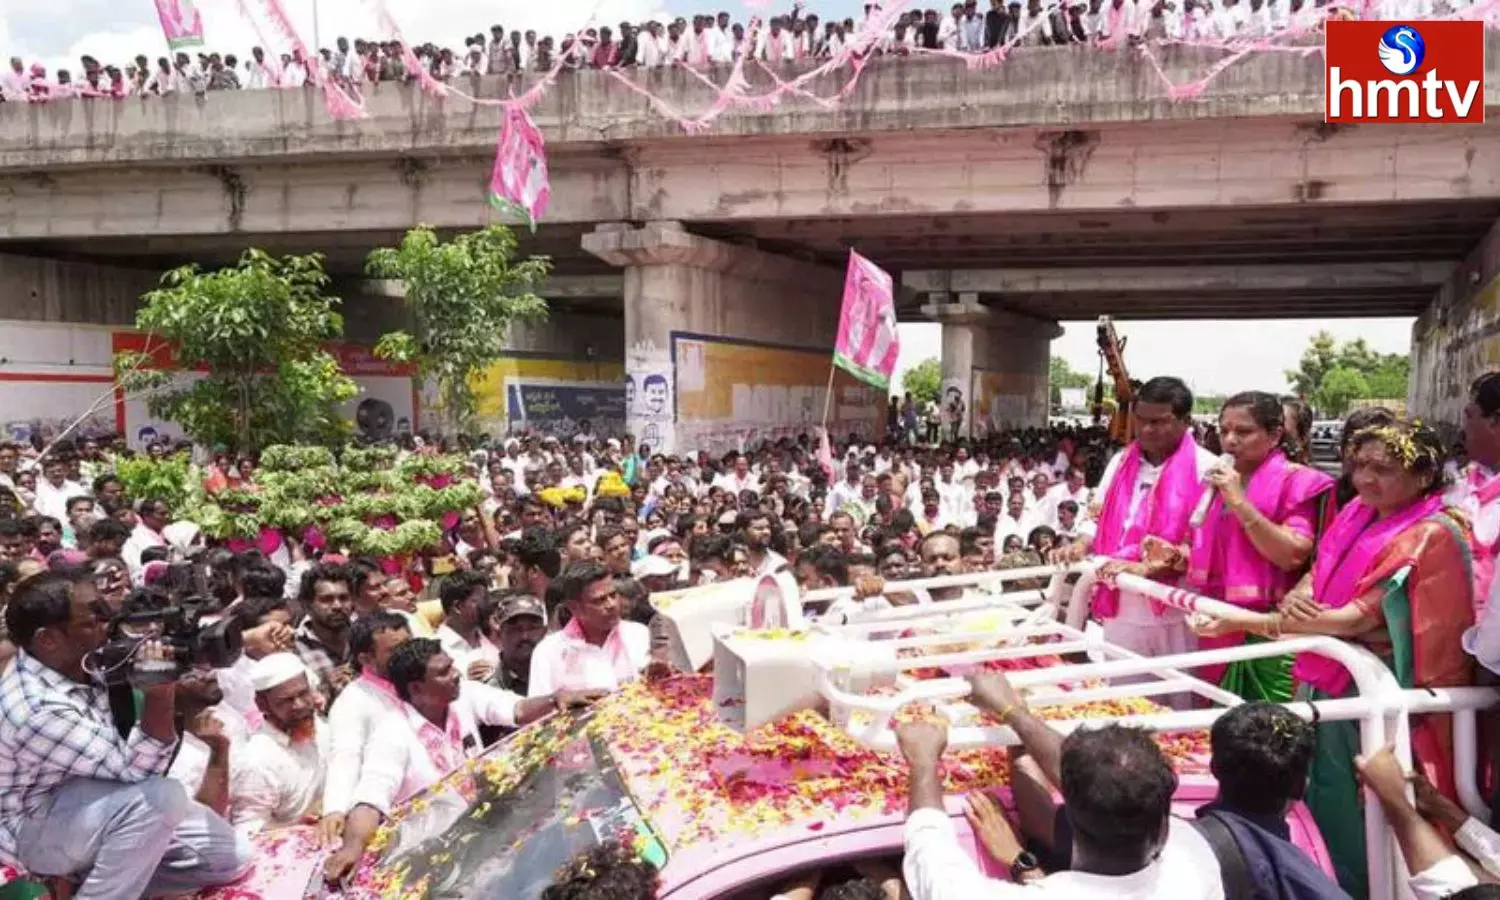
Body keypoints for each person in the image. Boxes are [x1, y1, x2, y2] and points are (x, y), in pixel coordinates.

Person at [1191, 419, 1475, 896]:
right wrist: (1297, 597)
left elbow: (1354, 620)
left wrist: (1247, 623)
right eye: (1359, 465)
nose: (1366, 478)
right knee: (1323, 804)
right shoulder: (1360, 513)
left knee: (1369, 814)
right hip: (1329, 675)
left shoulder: (1431, 534)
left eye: (1382, 469)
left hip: (1376, 690)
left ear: (1424, 476)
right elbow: (1320, 570)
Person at [0, 570, 249, 898]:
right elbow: (137, 773)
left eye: (106, 612)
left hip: (89, 800)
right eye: (93, 620)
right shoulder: (36, 708)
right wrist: (161, 690)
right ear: (48, 639)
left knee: (228, 858)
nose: (107, 626)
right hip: (32, 829)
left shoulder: (79, 661)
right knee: (162, 797)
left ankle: (88, 881)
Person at [897, 676, 1224, 899]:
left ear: (1067, 816)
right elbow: (1094, 778)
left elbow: (930, 855)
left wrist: (923, 761)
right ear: (1164, 826)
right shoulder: (1196, 861)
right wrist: (1014, 713)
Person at [323, 638, 600, 882]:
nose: (456, 675)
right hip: (438, 861)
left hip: (489, 829)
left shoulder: (465, 695)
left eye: (452, 666)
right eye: (444, 672)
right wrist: (353, 847)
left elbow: (514, 709)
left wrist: (555, 699)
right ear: (417, 688)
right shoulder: (392, 733)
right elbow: (370, 800)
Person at [1184, 392, 1334, 701]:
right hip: (1217, 624)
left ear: (1275, 434)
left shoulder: (1299, 482)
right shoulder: (1215, 482)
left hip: (1270, 632)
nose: (1230, 440)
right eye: (1224, 430)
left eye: (1243, 431)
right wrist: (1173, 555)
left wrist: (1239, 501)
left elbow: (1291, 555)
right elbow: (1218, 554)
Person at [1055, 376, 1217, 659]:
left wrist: (1150, 567)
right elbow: (1097, 514)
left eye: (1159, 421)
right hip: (1120, 598)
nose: (1146, 429)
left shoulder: (1207, 468)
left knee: (1179, 696)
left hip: (1175, 607)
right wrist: (1080, 545)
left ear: (1185, 421)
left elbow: (1207, 543)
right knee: (1123, 693)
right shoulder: (1120, 462)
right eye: (1140, 420)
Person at [320, 611, 410, 848]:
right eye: (396, 650)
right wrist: (335, 809)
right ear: (366, 659)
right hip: (391, 813)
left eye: (409, 644)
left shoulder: (417, 681)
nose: (408, 655)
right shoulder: (353, 701)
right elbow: (345, 756)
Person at [229, 653, 328, 835]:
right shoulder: (257, 760)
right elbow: (248, 831)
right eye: (286, 700)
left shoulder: (319, 727)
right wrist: (303, 830)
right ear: (262, 705)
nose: (299, 705)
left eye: (303, 694)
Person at [528, 560, 651, 696]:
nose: (611, 604)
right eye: (600, 600)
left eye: (613, 595)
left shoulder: (638, 634)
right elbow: (541, 709)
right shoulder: (549, 652)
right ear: (575, 608)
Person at [434, 571, 500, 682]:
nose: (487, 606)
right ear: (458, 607)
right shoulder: (436, 650)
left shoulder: (494, 635)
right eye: (481, 600)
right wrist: (465, 680)